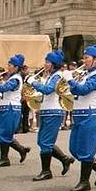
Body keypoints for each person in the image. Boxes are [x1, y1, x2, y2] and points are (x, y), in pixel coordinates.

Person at [67, 44, 96, 191]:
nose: (84, 60)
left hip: (91, 114)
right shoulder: (85, 73)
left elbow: (84, 89)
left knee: (86, 150)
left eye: (87, 58)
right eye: (84, 57)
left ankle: (84, 182)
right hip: (79, 113)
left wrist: (70, 80)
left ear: (95, 59)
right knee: (74, 149)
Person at [28, 50, 74, 180]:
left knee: (45, 142)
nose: (45, 64)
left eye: (47, 62)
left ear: (54, 64)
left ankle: (46, 171)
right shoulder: (50, 75)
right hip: (47, 110)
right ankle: (64, 159)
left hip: (54, 111)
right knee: (42, 141)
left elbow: (48, 90)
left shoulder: (57, 76)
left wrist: (33, 82)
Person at [0, 54, 31, 167]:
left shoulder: (16, 79)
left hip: (11, 108)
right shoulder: (12, 77)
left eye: (10, 65)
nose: (8, 67)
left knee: (4, 133)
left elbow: (4, 88)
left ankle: (5, 159)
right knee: (2, 133)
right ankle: (21, 150)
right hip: (6, 107)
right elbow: (3, 92)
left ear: (16, 67)